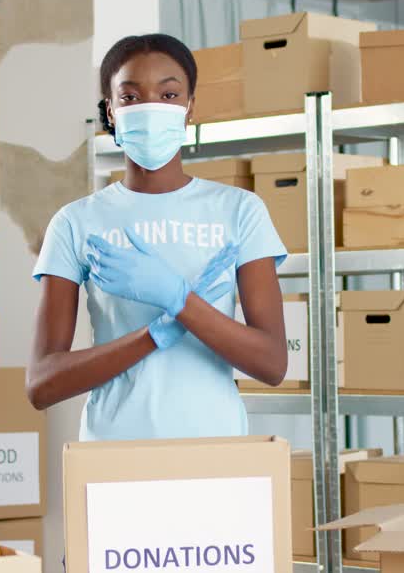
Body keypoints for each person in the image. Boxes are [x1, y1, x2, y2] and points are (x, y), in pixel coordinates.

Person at [27, 33, 288, 440]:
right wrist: (153, 335)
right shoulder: (76, 221)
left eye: (168, 94)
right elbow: (42, 384)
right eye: (130, 97)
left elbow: (272, 364)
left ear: (189, 107)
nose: (150, 107)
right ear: (110, 111)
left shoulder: (240, 211)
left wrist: (179, 300)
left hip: (216, 452)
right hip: (114, 455)